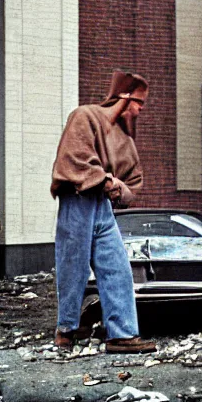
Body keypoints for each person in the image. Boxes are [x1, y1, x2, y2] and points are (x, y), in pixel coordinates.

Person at [50, 70, 156, 354]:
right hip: (77, 201)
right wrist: (105, 179)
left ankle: (121, 334)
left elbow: (132, 185)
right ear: (122, 97)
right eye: (137, 102)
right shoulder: (84, 116)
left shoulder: (125, 141)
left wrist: (119, 189)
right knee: (73, 268)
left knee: (117, 268)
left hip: (103, 208)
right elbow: (74, 157)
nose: (139, 109)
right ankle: (66, 330)